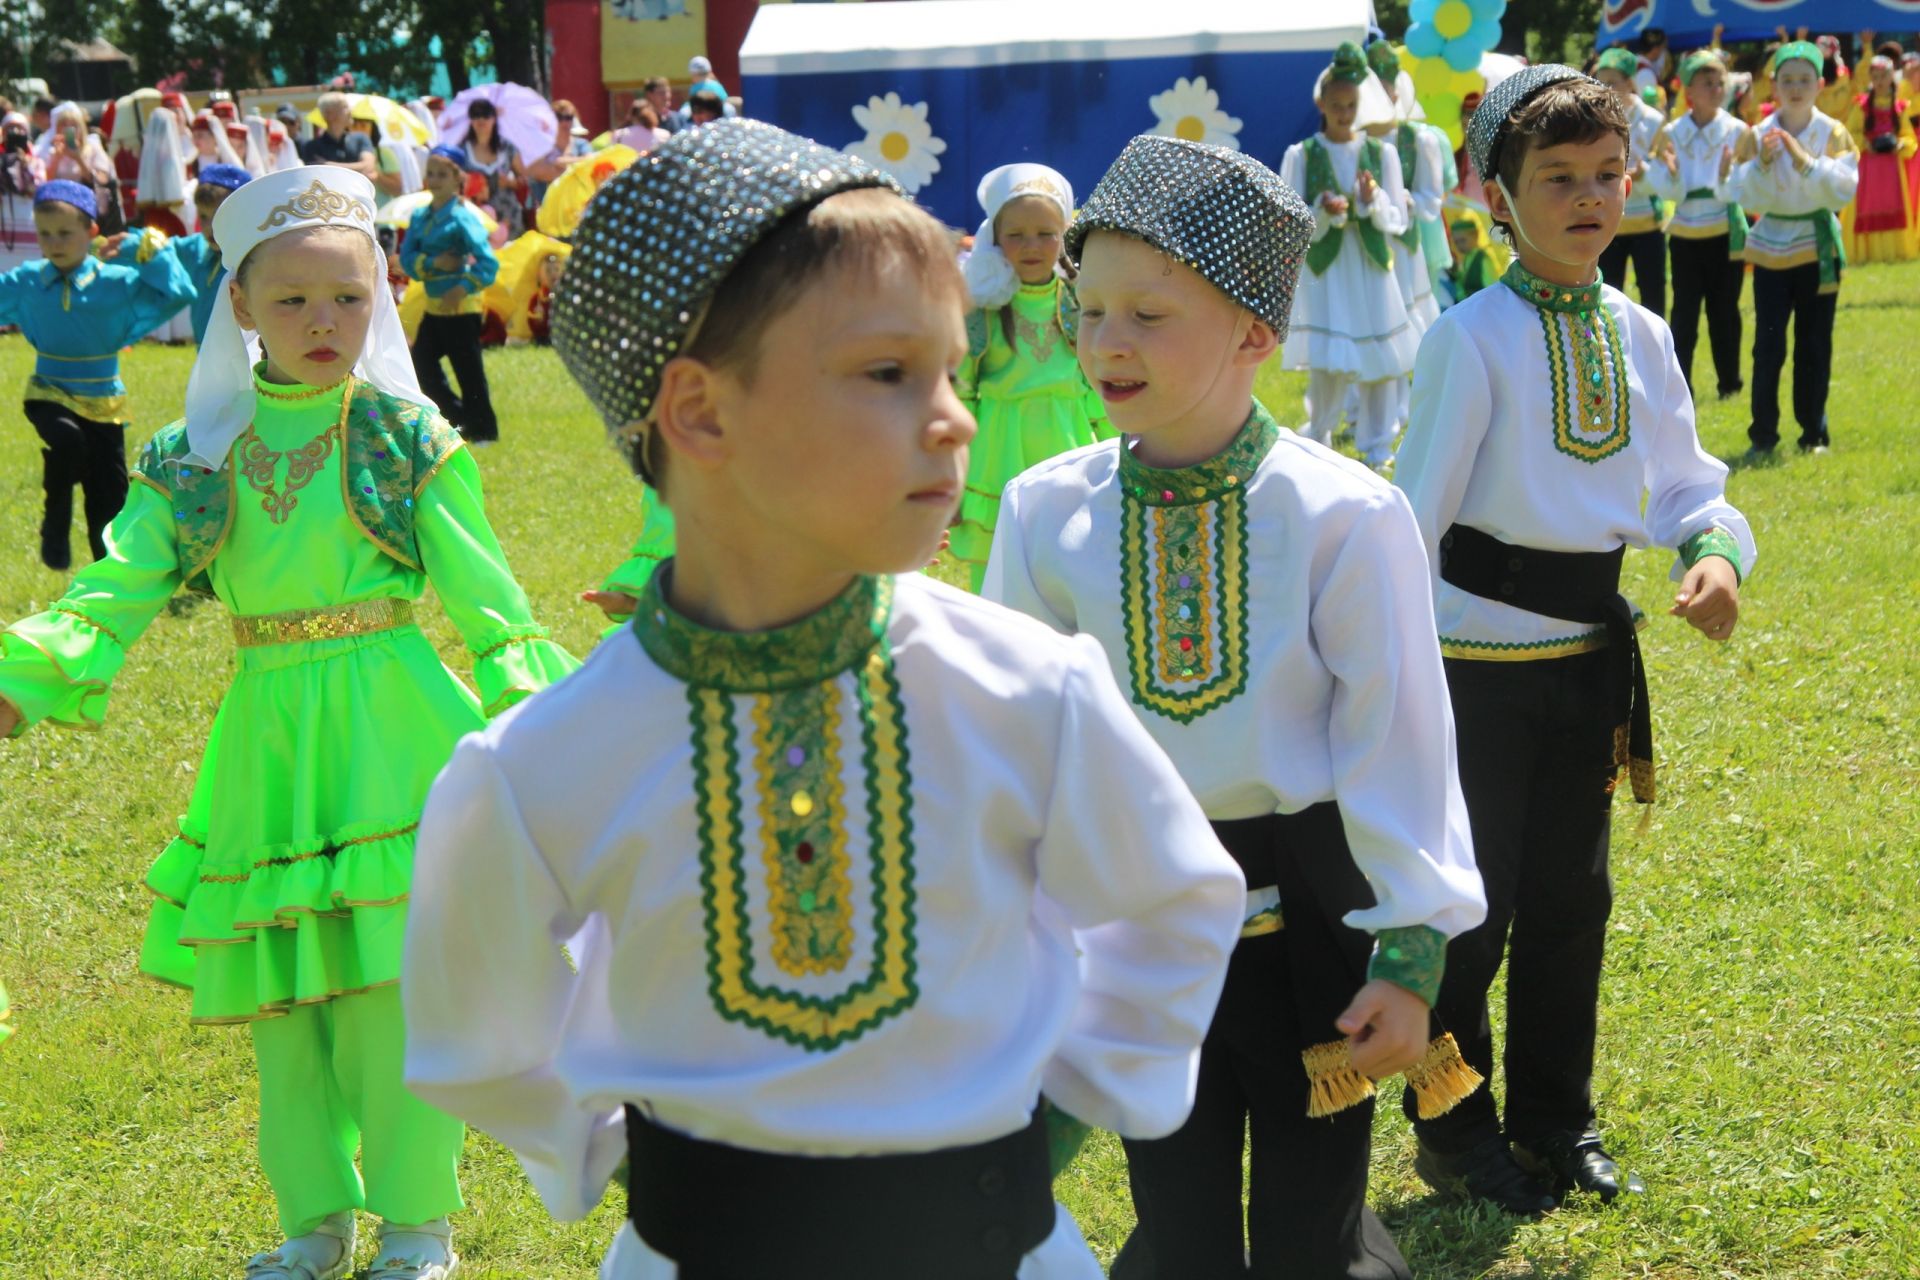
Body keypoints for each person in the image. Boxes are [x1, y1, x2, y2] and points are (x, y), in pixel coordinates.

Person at [401, 119, 1247, 1280]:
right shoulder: (545, 758)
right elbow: (478, 1022)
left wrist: (1051, 1110)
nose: (954, 417)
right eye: (889, 373)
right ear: (699, 413)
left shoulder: (1025, 688)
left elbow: (1173, 901)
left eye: (952, 370)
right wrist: (630, 1156)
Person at [0, 165, 578, 1280]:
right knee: (285, 1002)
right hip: (266, 740)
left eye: (350, 298)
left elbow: (489, 599)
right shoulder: (192, 454)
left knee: (388, 997)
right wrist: (32, 672)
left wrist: (544, 714)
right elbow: (114, 584)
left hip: (394, 729)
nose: (326, 323)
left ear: (381, 299)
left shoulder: (408, 438)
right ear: (242, 309)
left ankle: (417, 1223)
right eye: (296, 300)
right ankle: (314, 1220)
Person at [986, 132, 1485, 1280]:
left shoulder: (1344, 516)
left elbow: (1397, 738)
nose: (1106, 340)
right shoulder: (1042, 512)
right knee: (1180, 1206)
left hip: (1318, 914)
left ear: (1256, 333)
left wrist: (1411, 953)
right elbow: (1017, 740)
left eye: (1149, 315)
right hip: (1141, 918)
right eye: (1089, 305)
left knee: (1313, 1220)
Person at [1394, 65, 1755, 1215]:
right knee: (1471, 911)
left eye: (1607, 174)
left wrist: (1712, 551)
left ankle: (1559, 1114)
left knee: (1571, 902)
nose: (1588, 196)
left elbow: (1688, 484)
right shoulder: (1471, 338)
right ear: (1498, 194)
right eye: (1558, 178)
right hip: (1475, 666)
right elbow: (1412, 519)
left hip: (1591, 661)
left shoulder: (1643, 333)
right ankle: (1454, 1126)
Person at [0, 182, 193, 569]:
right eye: (45, 234)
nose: (54, 243)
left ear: (91, 232)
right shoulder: (28, 281)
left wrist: (145, 247)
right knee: (68, 442)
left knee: (109, 496)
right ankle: (54, 523)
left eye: (65, 233)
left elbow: (177, 292)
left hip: (105, 401)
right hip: (48, 392)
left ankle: (106, 576)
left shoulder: (115, 283)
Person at [947, 163, 1109, 593]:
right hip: (999, 447)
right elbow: (961, 393)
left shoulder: (1078, 301)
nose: (1031, 245)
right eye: (1016, 234)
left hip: (1064, 437)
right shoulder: (981, 307)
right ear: (995, 237)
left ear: (1064, 236)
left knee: (1067, 549)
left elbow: (1093, 380)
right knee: (997, 563)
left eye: (1045, 233)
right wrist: (954, 467)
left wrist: (1117, 440)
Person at [1280, 41, 1417, 471]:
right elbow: (1291, 220)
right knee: (1330, 359)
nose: (1344, 112)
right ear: (1322, 103)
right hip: (1330, 267)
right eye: (1336, 104)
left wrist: (1370, 201)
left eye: (1351, 104)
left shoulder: (1383, 153)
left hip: (1372, 265)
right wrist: (1322, 209)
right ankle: (1319, 433)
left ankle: (1378, 446)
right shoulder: (1302, 155)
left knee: (1379, 359)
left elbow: (1398, 218)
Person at [1725, 40, 1860, 457]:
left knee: (1814, 343)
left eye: (1805, 80)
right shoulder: (1758, 135)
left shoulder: (1833, 132)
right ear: (1773, 85)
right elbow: (1741, 191)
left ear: (1820, 84)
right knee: (1768, 344)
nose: (1796, 88)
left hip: (1817, 247)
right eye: (1788, 80)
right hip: (1771, 247)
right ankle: (1763, 435)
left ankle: (1813, 434)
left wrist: (1807, 161)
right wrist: (1763, 165)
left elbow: (1845, 189)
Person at [1644, 49, 1751, 400]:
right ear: (1689, 88)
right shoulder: (1673, 132)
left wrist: (1725, 177)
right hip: (1686, 230)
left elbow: (1748, 182)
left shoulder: (1738, 130)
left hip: (1724, 229)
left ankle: (1730, 383)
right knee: (1685, 313)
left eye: (1720, 82)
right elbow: (1662, 181)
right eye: (1707, 82)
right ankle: (1681, 385)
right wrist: (1673, 177)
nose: (1716, 88)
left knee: (1725, 312)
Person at [1368, 39, 1444, 435]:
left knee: (1404, 325)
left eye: (1386, 87)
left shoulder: (1420, 140)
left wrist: (1407, 201)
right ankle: (1366, 409)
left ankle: (1408, 407)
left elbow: (1433, 198)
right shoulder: (1355, 142)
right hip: (1365, 247)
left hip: (1405, 245)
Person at [405, 146, 501, 444]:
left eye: (442, 174)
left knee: (468, 372)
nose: (434, 179)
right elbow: (407, 258)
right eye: (431, 173)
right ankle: (459, 419)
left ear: (458, 179)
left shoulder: (463, 217)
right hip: (434, 307)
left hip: (461, 309)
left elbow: (488, 263)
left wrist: (463, 287)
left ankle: (483, 429)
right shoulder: (420, 216)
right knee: (421, 366)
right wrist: (434, 263)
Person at [1592, 48, 1668, 318]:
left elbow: (1662, 169)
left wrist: (1642, 174)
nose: (1604, 89)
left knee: (1653, 290)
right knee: (1607, 291)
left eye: (1612, 82)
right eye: (1599, 82)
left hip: (1646, 218)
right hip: (1608, 219)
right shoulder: (1593, 120)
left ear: (1630, 83)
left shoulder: (1653, 120)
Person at [1842, 55, 1918, 261]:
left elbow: (1908, 136)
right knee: (1868, 204)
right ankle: (1867, 252)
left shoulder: (1899, 107)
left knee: (1892, 203)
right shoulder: (1862, 106)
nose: (1880, 81)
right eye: (1875, 77)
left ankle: (1895, 252)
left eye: (1884, 76)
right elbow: (1849, 134)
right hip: (1869, 165)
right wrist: (1867, 144)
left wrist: (1899, 144)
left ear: (1891, 76)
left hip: (1892, 167)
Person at [170, 162, 252, 343]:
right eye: (204, 216)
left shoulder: (251, 259)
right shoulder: (197, 250)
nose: (209, 228)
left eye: (218, 217)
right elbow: (161, 250)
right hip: (204, 357)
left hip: (245, 359)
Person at [457, 99, 527, 239]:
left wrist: (509, 182)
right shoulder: (462, 150)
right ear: (470, 120)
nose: (481, 119)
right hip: (476, 217)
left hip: (508, 217)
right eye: (475, 115)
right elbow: (455, 184)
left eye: (486, 115)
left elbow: (524, 180)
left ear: (494, 119)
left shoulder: (507, 147)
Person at [526, 98, 590, 208]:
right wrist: (573, 164)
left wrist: (559, 161)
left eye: (568, 118)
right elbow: (536, 172)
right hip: (545, 204)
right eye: (559, 117)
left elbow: (590, 161)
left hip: (575, 204)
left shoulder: (581, 144)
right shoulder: (542, 145)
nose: (564, 122)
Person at [302, 93, 378, 181]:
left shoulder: (361, 139)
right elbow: (317, 175)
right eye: (345, 107)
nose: (351, 110)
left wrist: (328, 166)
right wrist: (359, 169)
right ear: (329, 114)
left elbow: (369, 167)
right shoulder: (311, 147)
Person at [1441, 214, 1498, 303]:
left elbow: (1492, 289)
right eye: (1456, 242)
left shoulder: (1482, 259)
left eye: (1463, 240)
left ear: (1475, 235)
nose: (1460, 246)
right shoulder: (1466, 259)